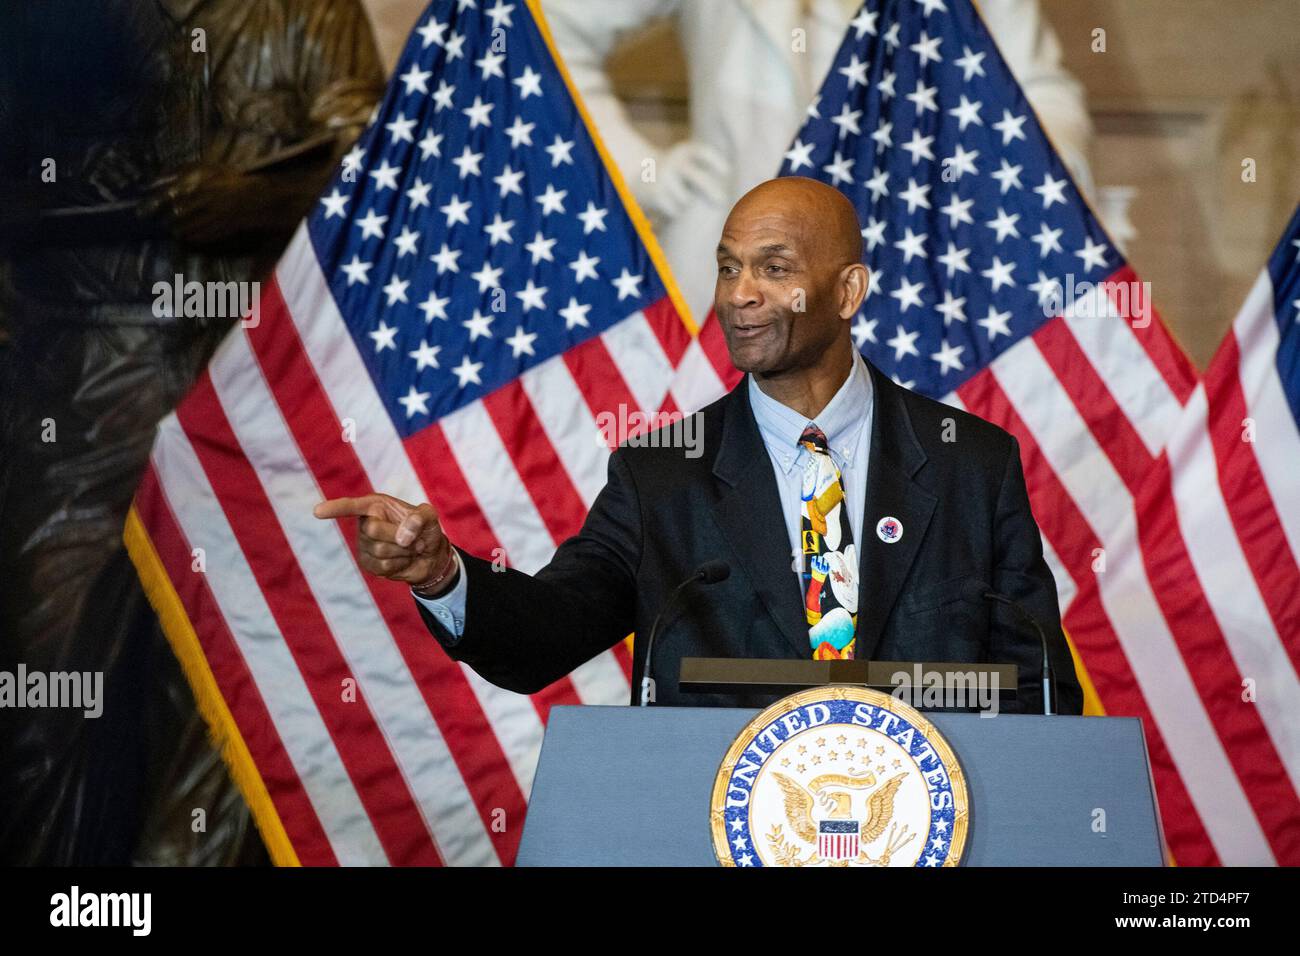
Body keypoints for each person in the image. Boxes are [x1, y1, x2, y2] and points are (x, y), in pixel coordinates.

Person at [315, 177, 1083, 714]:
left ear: (847, 292)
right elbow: (545, 635)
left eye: (774, 269)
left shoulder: (970, 464)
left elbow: (1038, 686)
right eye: (727, 267)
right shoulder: (661, 477)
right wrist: (443, 574)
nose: (739, 293)